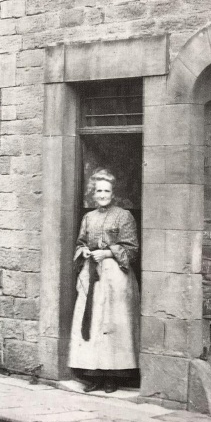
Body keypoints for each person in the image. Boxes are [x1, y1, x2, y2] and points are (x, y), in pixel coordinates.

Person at [68, 168, 140, 393]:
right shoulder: (88, 217)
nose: (102, 195)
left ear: (113, 193)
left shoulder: (124, 216)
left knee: (113, 324)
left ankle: (113, 377)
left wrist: (108, 253)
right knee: (95, 322)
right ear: (93, 193)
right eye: (98, 190)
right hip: (92, 275)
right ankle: (95, 375)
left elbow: (132, 249)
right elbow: (80, 243)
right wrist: (85, 252)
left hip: (115, 277)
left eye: (106, 191)